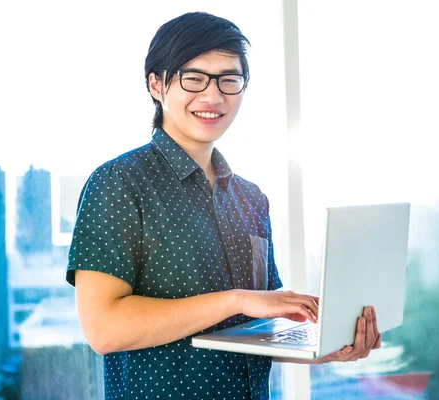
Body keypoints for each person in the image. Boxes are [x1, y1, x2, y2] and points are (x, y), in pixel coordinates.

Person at [66, 11, 381, 400]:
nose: (213, 97)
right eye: (194, 78)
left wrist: (322, 348)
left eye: (229, 80)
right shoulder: (118, 182)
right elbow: (104, 328)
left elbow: (259, 326)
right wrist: (237, 299)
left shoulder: (250, 198)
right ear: (156, 84)